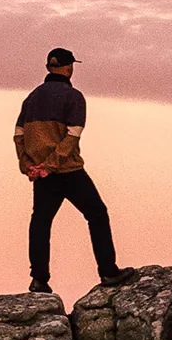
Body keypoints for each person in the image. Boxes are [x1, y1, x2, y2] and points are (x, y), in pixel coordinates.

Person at [14, 46, 121, 296]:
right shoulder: (74, 97)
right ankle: (108, 271)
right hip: (67, 170)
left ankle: (39, 280)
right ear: (69, 67)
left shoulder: (30, 98)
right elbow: (72, 136)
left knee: (41, 222)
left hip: (41, 173)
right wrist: (51, 165)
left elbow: (19, 135)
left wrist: (28, 165)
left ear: (48, 67)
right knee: (97, 214)